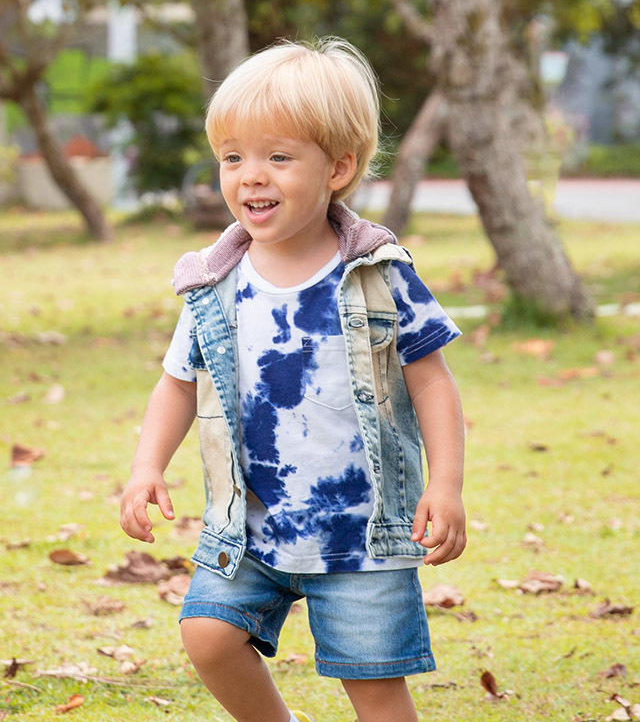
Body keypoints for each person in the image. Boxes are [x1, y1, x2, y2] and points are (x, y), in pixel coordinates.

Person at [119, 38, 467, 722]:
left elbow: (432, 382)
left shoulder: (377, 275)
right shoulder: (214, 286)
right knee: (208, 635)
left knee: (375, 690)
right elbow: (178, 382)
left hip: (360, 533)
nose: (251, 177)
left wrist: (446, 485)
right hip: (249, 528)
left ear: (339, 167)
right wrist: (144, 467)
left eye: (278, 157)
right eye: (233, 158)